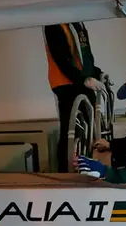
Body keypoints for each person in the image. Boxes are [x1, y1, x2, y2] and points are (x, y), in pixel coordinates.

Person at [43, 22, 105, 172]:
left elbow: (85, 56)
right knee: (70, 131)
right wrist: (84, 79)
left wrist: (96, 73)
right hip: (66, 83)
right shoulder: (54, 25)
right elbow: (61, 59)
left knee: (88, 129)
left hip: (82, 81)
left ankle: (86, 166)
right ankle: (66, 171)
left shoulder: (77, 24)